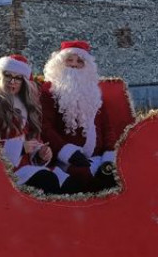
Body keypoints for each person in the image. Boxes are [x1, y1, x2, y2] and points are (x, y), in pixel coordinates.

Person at [0, 54, 71, 194]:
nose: (12, 82)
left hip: (25, 165)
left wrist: (40, 153)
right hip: (4, 170)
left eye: (18, 78)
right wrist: (20, 148)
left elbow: (31, 138)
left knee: (68, 182)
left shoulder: (24, 103)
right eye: (8, 76)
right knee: (49, 180)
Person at [40, 40, 119, 190]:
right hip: (67, 160)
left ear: (87, 67)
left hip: (97, 158)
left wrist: (108, 157)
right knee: (84, 179)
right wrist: (68, 152)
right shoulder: (48, 91)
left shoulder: (93, 92)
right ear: (59, 64)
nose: (74, 65)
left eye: (79, 61)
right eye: (69, 60)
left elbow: (107, 128)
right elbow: (45, 128)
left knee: (115, 177)